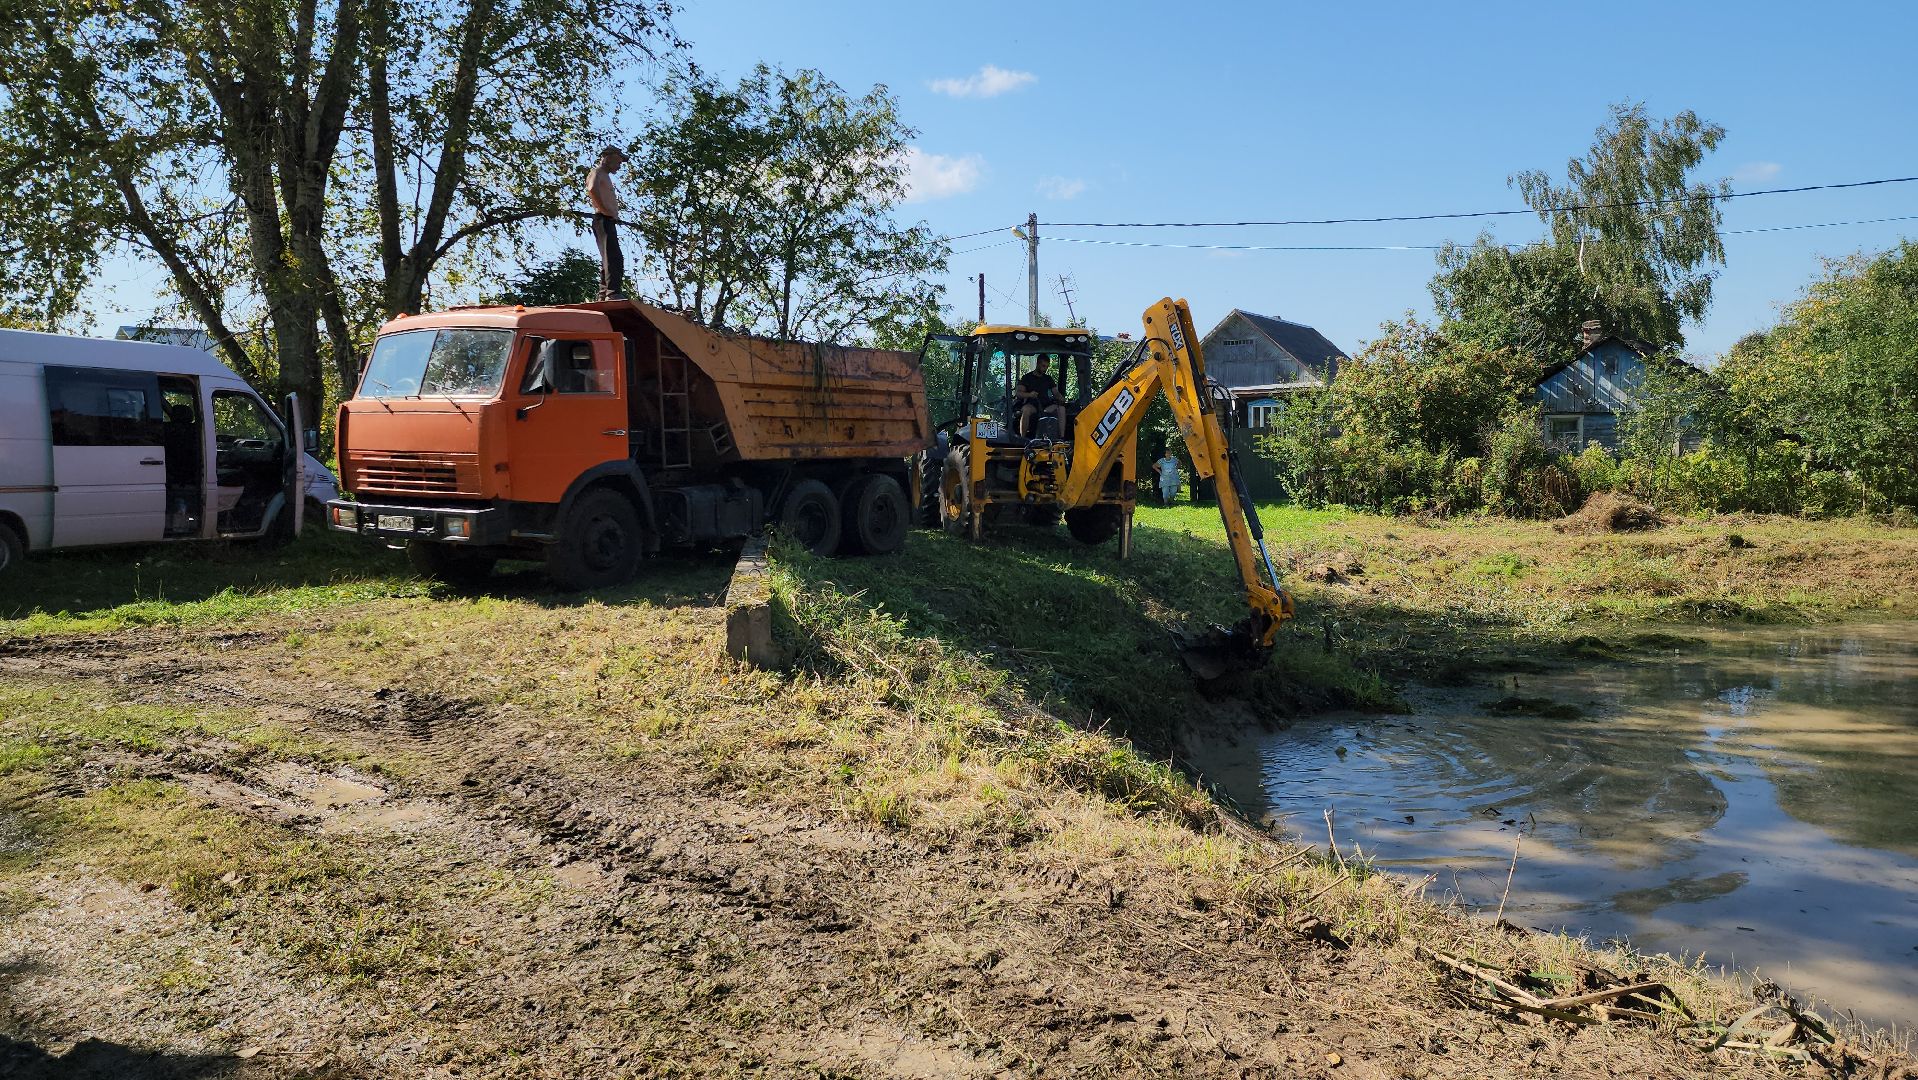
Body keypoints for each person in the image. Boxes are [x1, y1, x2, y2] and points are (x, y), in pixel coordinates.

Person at [586, 146, 629, 301]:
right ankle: (612, 292)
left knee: (610, 256)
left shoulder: (605, 175)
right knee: (613, 257)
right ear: (608, 157)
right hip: (602, 219)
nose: (619, 165)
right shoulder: (597, 172)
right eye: (618, 160)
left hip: (608, 220)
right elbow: (592, 188)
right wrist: (604, 210)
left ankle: (604, 292)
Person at [1015, 354, 1066, 437]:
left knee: (1061, 408)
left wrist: (1061, 398)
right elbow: (1018, 393)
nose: (1045, 369)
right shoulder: (1027, 378)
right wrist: (1030, 394)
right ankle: (1022, 438)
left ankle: (1061, 438)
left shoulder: (1048, 378)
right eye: (1043, 366)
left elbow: (1056, 393)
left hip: (1046, 405)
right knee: (1026, 410)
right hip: (1032, 404)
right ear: (1038, 364)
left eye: (1047, 367)